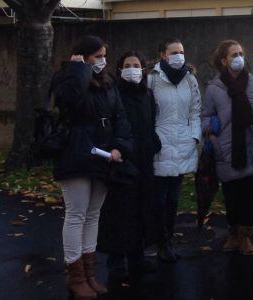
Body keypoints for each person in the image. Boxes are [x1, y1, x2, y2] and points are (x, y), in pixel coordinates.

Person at [52, 35, 132, 300]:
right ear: (83, 57)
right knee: (76, 214)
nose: (102, 61)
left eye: (104, 56)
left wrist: (119, 146)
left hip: (103, 154)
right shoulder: (68, 78)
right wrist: (77, 70)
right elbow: (68, 102)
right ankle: (75, 275)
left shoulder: (108, 83)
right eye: (97, 56)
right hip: (76, 154)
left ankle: (89, 273)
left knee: (93, 214)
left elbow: (120, 116)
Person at [98, 51, 159, 284]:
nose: (132, 69)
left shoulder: (148, 94)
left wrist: (153, 141)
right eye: (127, 65)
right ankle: (116, 261)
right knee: (120, 212)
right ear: (120, 69)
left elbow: (149, 122)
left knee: (141, 210)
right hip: (122, 160)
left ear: (143, 70)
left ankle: (137, 256)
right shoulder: (112, 94)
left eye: (136, 65)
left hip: (144, 161)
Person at [201, 40, 253, 255]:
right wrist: (211, 134)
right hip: (226, 149)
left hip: (251, 147)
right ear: (224, 60)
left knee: (249, 194)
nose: (239, 58)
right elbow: (205, 116)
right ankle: (233, 233)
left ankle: (246, 237)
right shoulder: (214, 88)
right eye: (234, 54)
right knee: (231, 195)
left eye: (241, 53)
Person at [149, 37, 202, 262]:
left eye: (181, 51)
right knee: (159, 200)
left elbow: (195, 111)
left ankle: (168, 239)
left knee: (173, 199)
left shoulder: (190, 79)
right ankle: (159, 241)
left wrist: (194, 136)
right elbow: (146, 112)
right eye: (174, 52)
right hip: (159, 145)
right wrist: (151, 139)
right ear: (163, 55)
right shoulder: (151, 79)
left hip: (182, 145)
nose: (179, 55)